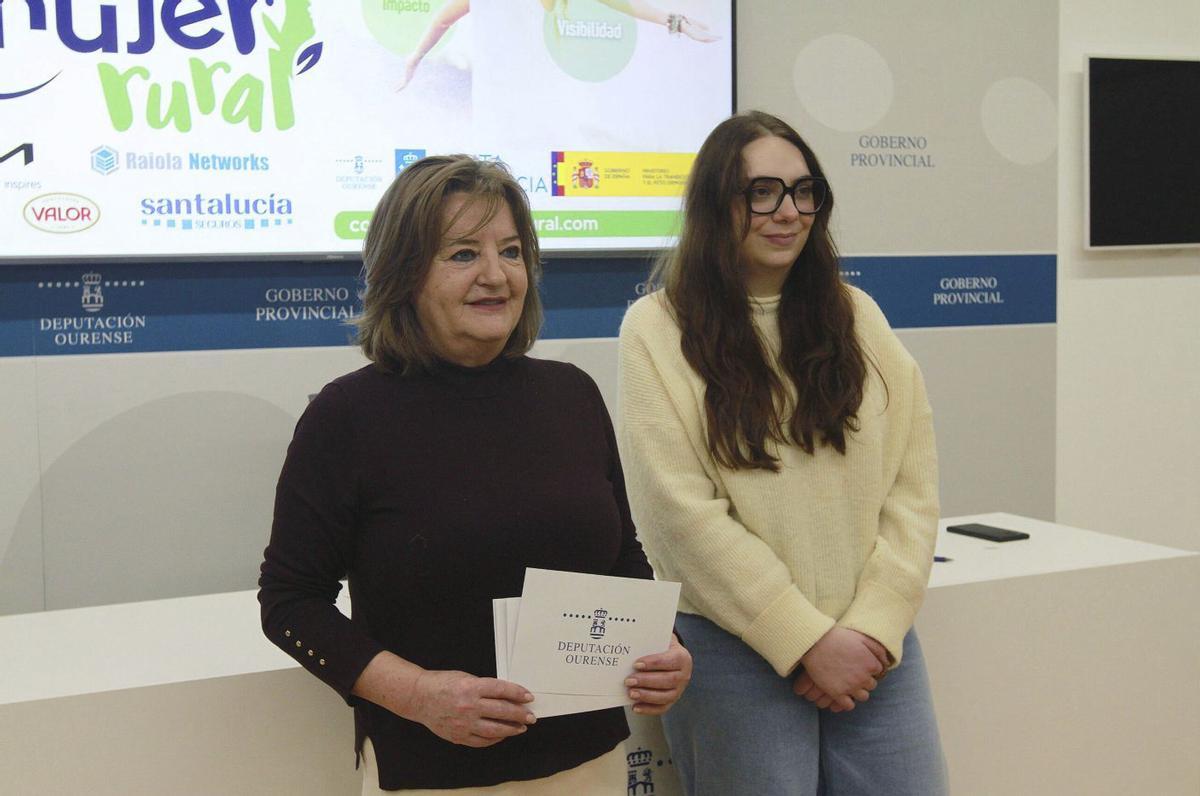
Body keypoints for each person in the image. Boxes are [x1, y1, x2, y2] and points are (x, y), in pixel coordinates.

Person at [259, 154, 691, 794]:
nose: (496, 276)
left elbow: (621, 555)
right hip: (436, 773)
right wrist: (416, 694)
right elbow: (290, 603)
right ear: (404, 275)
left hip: (589, 761)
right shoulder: (346, 416)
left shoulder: (571, 394)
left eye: (512, 252)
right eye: (463, 254)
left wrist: (664, 647)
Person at [616, 111, 948, 794]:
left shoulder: (858, 315)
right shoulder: (656, 328)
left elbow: (912, 487)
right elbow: (679, 516)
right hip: (732, 648)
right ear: (716, 204)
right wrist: (803, 639)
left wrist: (874, 628)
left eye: (803, 192)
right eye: (760, 192)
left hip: (872, 650)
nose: (787, 211)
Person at [396, 0, 718, 91]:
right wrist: (415, 57)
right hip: (500, 91)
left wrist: (678, 21)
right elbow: (441, 20)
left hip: (541, 87)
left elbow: (625, 5)